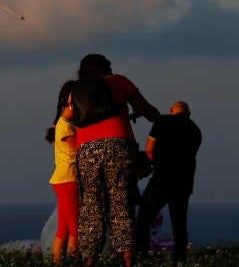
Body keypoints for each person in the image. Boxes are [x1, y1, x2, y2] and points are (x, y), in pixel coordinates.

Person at [71, 53, 159, 267]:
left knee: (91, 207)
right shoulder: (119, 80)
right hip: (118, 147)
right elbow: (150, 112)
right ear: (107, 67)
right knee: (121, 206)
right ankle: (128, 261)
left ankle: (90, 261)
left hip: (87, 149)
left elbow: (72, 118)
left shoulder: (76, 89)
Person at [134, 101, 202, 265]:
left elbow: (150, 149)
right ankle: (179, 261)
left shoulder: (163, 121)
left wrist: (152, 165)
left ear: (172, 110)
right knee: (179, 225)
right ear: (188, 113)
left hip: (161, 180)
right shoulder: (195, 131)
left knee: (144, 219)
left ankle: (141, 257)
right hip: (184, 183)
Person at [47, 80, 81, 264]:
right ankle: (75, 263)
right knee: (75, 230)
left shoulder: (63, 123)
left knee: (64, 229)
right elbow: (79, 149)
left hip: (62, 179)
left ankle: (57, 262)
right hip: (69, 178)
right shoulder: (66, 125)